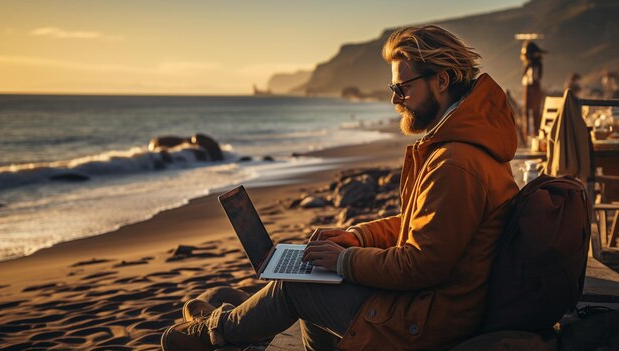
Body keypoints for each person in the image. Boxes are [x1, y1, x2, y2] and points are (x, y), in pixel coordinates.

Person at [161, 24, 519, 351]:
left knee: (298, 284)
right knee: (316, 274)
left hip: (427, 320)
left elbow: (421, 266)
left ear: (441, 81)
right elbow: (421, 226)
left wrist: (344, 261)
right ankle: (240, 326)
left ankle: (218, 332)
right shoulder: (460, 147)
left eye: (403, 88)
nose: (396, 100)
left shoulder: (456, 162)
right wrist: (356, 238)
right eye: (394, 89)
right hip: (435, 303)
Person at [520, 41, 546, 142]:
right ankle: (528, 135)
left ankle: (533, 134)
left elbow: (535, 78)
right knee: (528, 112)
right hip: (530, 88)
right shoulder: (532, 64)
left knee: (534, 112)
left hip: (532, 89)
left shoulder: (535, 64)